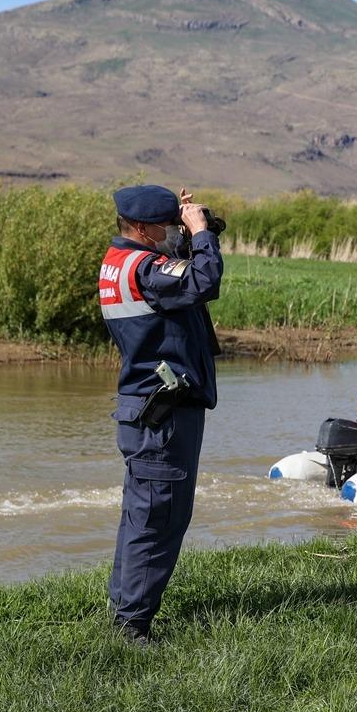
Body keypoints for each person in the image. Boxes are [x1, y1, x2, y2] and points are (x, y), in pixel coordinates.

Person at [99, 184, 223, 644]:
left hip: (145, 409)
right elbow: (203, 281)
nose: (175, 231)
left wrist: (195, 232)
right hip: (163, 414)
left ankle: (125, 610)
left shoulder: (121, 262)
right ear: (144, 228)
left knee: (142, 516)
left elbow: (182, 285)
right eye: (169, 226)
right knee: (158, 518)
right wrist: (201, 233)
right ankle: (131, 626)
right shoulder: (147, 267)